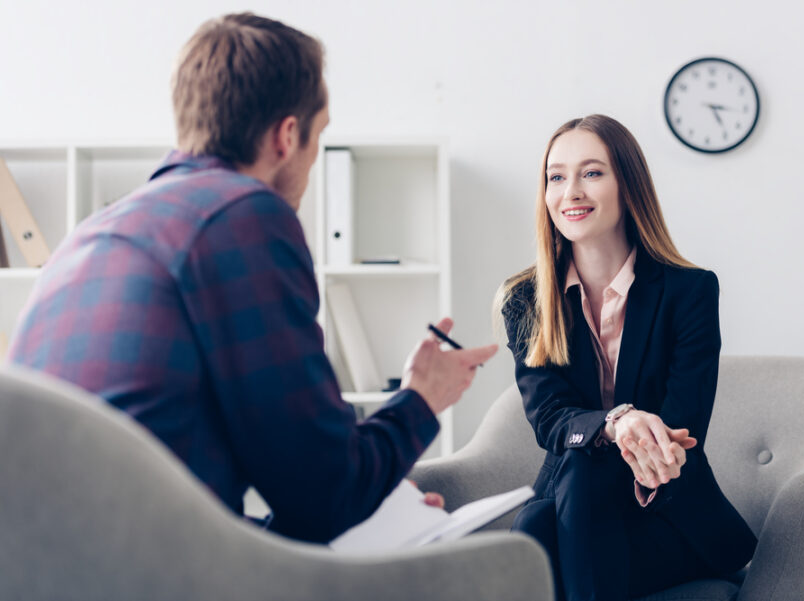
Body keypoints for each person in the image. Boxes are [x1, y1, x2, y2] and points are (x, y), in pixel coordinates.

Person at [6, 12, 497, 544]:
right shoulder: (244, 215)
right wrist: (422, 399)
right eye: (319, 136)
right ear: (287, 136)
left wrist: (369, 505)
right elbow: (325, 495)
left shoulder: (89, 234)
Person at [496, 115, 756, 601]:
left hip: (666, 513)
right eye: (556, 176)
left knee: (555, 502)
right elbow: (550, 418)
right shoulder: (525, 299)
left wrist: (626, 433)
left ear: (628, 184)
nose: (570, 191)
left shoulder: (690, 291)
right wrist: (616, 423)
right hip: (578, 507)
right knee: (556, 494)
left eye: (591, 173)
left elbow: (682, 425)